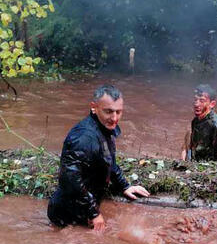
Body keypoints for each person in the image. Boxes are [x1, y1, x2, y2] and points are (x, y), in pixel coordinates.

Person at [47, 84, 150, 231]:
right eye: (108, 112)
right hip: (67, 214)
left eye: (118, 112)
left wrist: (124, 186)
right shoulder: (84, 137)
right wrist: (94, 213)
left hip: (84, 206)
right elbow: (70, 179)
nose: (114, 118)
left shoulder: (105, 127)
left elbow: (109, 161)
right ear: (94, 107)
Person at [184, 84, 217, 161]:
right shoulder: (195, 121)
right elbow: (193, 148)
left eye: (202, 101)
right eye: (195, 100)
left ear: (212, 104)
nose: (196, 104)